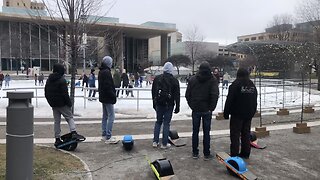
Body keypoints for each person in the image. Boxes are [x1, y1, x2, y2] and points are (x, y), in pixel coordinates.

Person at [185, 61, 219, 160]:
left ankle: (195, 152)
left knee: (195, 131)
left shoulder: (193, 79)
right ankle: (206, 153)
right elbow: (214, 95)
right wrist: (211, 108)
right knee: (206, 132)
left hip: (196, 109)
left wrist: (192, 106)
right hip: (207, 110)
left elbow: (188, 95)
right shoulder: (212, 80)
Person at [44, 64, 83, 147]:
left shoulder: (49, 80)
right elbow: (65, 94)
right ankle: (73, 132)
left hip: (54, 104)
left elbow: (46, 93)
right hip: (63, 104)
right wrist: (69, 103)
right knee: (69, 117)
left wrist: (51, 102)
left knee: (57, 121)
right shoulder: (62, 80)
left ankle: (57, 138)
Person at [224, 68, 257, 159]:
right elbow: (255, 100)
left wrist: (226, 113)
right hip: (248, 114)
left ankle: (234, 153)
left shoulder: (235, 85)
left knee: (235, 135)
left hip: (237, 114)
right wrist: (252, 111)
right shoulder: (252, 85)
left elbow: (229, 100)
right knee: (246, 134)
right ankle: (246, 153)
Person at [152, 62, 180, 149]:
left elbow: (153, 92)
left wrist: (154, 102)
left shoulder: (157, 78)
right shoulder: (174, 80)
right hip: (169, 105)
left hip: (159, 104)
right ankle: (164, 143)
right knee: (166, 123)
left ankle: (155, 141)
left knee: (158, 122)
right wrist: (177, 106)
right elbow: (177, 95)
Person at [98, 56, 118, 144]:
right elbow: (108, 86)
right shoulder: (107, 72)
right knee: (111, 116)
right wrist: (113, 95)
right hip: (108, 97)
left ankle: (104, 134)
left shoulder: (101, 71)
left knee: (105, 116)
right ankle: (108, 136)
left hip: (103, 96)